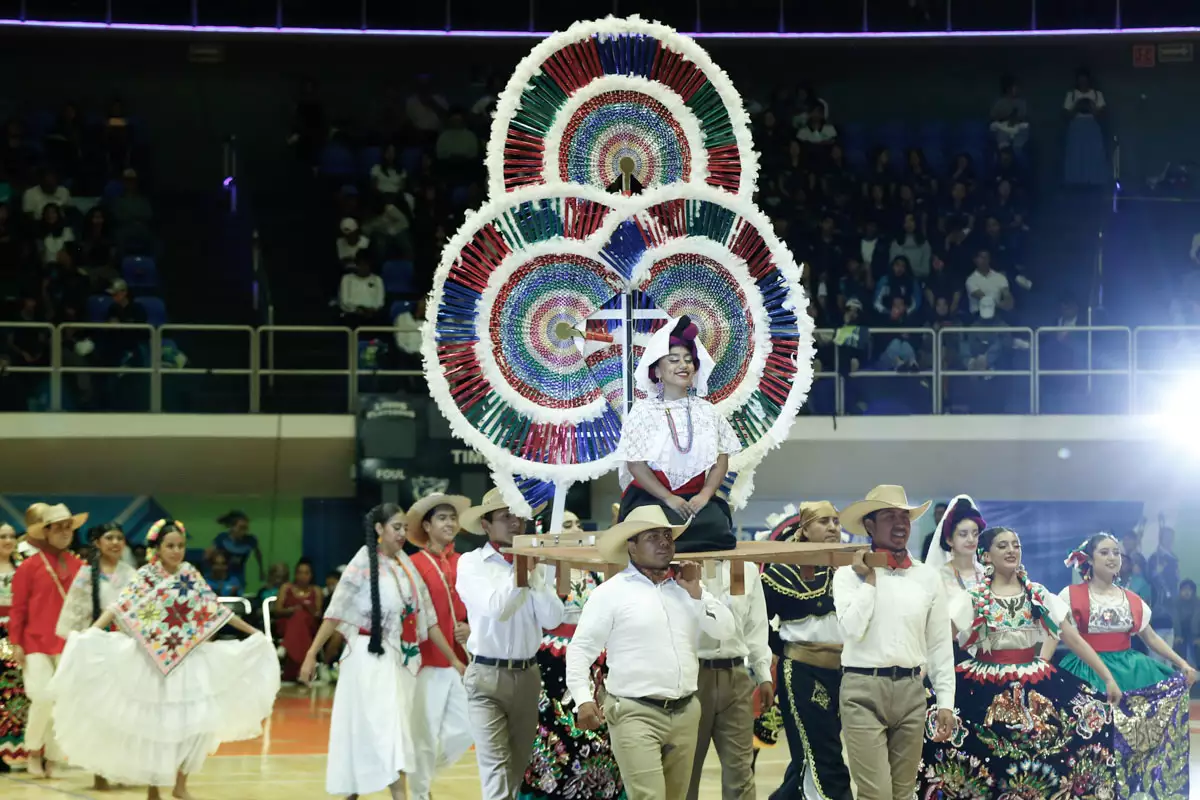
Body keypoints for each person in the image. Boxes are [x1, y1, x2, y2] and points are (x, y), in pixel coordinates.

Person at [50, 519, 279, 799]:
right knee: (156, 727)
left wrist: (255, 632)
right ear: (157, 548)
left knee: (194, 724)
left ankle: (181, 785)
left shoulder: (189, 574)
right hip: (151, 662)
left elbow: (214, 609)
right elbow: (120, 607)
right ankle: (154, 789)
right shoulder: (146, 576)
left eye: (181, 546)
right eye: (170, 546)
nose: (176, 551)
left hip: (188, 660)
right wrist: (91, 632)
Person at [920, 526, 1120, 797]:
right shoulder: (975, 597)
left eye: (1016, 544)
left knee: (1082, 719)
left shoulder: (1037, 594)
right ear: (986, 556)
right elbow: (940, 640)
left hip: (1035, 680)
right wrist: (918, 674)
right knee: (984, 757)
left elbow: (1072, 638)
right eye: (1002, 546)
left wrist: (1107, 677)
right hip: (983, 684)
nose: (1011, 550)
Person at [299, 503, 466, 800]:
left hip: (397, 661)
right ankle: (395, 794)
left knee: (386, 728)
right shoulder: (363, 562)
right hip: (365, 659)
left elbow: (428, 619)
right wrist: (312, 654)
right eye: (396, 528)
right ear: (379, 530)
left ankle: (355, 792)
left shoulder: (407, 566)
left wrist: (454, 658)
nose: (402, 534)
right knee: (383, 728)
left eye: (404, 528)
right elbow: (335, 612)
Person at [568, 505, 735, 800]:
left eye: (668, 536)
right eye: (653, 536)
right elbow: (581, 649)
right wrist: (582, 698)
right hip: (634, 712)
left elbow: (725, 630)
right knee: (649, 796)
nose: (664, 542)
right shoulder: (611, 592)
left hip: (686, 710)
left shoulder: (687, 588)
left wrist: (697, 595)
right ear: (631, 546)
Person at [1050, 533, 1195, 798]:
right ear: (1090, 560)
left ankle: (1129, 789)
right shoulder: (1070, 595)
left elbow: (1149, 636)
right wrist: (1040, 666)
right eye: (1104, 552)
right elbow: (1056, 633)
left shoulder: (1131, 598)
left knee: (1129, 739)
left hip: (1130, 669)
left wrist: (1182, 664)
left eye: (1116, 552)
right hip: (1086, 669)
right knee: (1090, 738)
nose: (1112, 557)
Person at [833, 485, 955, 800]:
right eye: (889, 516)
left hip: (911, 691)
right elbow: (852, 629)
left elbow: (940, 644)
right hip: (862, 689)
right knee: (876, 794)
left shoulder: (927, 577)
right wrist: (869, 580)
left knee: (904, 793)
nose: (900, 523)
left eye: (905, 516)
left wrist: (945, 702)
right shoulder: (848, 574)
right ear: (869, 525)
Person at [457, 490, 565, 800]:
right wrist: (522, 571)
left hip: (528, 675)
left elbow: (553, 617)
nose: (515, 523)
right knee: (495, 771)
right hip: (486, 677)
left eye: (519, 516)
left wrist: (533, 574)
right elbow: (497, 608)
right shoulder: (471, 564)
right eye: (506, 517)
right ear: (486, 525)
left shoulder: (532, 563)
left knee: (517, 770)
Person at [519, 508, 624, 800]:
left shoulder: (597, 570)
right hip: (552, 664)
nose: (577, 529)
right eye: (567, 524)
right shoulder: (539, 570)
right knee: (554, 733)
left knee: (598, 737)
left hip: (594, 664)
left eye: (578, 522)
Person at [616, 315, 741, 553]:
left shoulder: (707, 411)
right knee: (652, 533)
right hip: (652, 499)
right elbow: (635, 464)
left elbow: (721, 459)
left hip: (695, 501)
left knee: (717, 529)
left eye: (688, 360)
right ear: (657, 371)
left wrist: (704, 495)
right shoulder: (643, 411)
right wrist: (669, 498)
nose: (683, 365)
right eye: (673, 360)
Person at [761, 502, 852, 800]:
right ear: (804, 529)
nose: (832, 527)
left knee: (812, 753)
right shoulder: (783, 571)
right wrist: (780, 648)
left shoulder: (851, 567)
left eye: (836, 522)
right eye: (823, 521)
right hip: (801, 671)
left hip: (844, 672)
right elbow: (758, 621)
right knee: (822, 752)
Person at [685, 534, 773, 800]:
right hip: (691, 678)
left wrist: (764, 674)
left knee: (741, 774)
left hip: (736, 677)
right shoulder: (682, 566)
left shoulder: (744, 569)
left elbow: (756, 627)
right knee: (686, 771)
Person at [54, 521, 137, 789]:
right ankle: (100, 771)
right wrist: (80, 644)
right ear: (98, 543)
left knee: (124, 712)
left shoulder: (132, 574)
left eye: (119, 538)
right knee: (100, 712)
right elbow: (74, 614)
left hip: (126, 650)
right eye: (109, 537)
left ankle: (121, 768)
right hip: (97, 650)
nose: (115, 542)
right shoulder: (85, 574)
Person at [405, 493, 475, 800]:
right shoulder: (413, 564)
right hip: (426, 662)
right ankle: (420, 793)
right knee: (424, 732)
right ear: (427, 525)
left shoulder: (467, 563)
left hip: (462, 659)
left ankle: (417, 768)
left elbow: (480, 607)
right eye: (442, 518)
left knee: (465, 729)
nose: (450, 523)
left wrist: (472, 629)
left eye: (452, 518)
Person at [8, 502, 86, 778]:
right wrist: (15, 642)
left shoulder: (79, 565)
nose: (65, 532)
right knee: (41, 697)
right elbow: (18, 607)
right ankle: (33, 752)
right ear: (47, 531)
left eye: (69, 527)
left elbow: (83, 608)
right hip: (34, 641)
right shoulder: (29, 566)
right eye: (59, 527)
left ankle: (52, 757)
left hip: (67, 642)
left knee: (61, 702)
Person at [0, 521, 25, 771]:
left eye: (11, 536)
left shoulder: (22, 569)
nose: (7, 540)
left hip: (15, 635)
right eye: (2, 536)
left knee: (14, 694)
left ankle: (15, 749)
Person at [275, 557, 322, 682]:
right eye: (300, 572)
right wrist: (291, 610)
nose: (303, 576)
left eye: (306, 573)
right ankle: (302, 672)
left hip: (309, 625)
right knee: (298, 616)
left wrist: (308, 609)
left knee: (301, 616)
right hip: (287, 624)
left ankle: (285, 646)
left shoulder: (316, 591)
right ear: (295, 574)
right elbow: (277, 610)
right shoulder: (286, 588)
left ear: (311, 575)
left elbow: (318, 614)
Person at [210, 510, 264, 586]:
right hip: (222, 574)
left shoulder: (250, 540)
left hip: (239, 574)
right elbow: (211, 555)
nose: (243, 531)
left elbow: (258, 554)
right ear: (232, 527)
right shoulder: (222, 538)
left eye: (246, 528)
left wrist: (261, 571)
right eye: (241, 528)